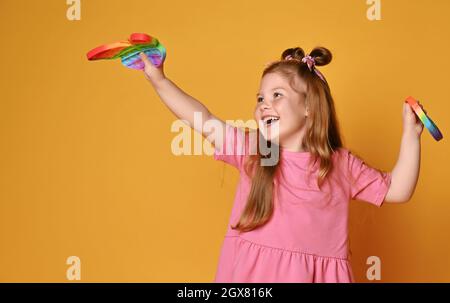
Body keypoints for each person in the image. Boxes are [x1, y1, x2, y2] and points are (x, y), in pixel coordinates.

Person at [138, 46, 422, 282]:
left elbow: (397, 189)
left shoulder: (339, 165)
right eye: (260, 97)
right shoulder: (258, 151)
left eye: (277, 95)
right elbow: (204, 120)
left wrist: (411, 135)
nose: (264, 104)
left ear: (309, 107)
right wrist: (158, 79)